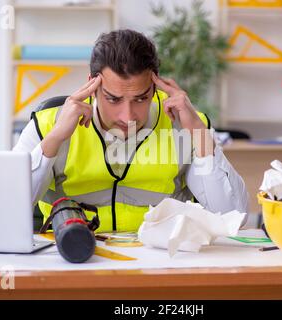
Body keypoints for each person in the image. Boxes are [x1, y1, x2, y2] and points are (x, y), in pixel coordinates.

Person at [13, 29, 248, 232]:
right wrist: (54, 139)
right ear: (91, 86)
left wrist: (198, 131)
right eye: (113, 99)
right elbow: (7, 210)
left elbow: (232, 217)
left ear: (156, 87)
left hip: (162, 263)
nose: (128, 116)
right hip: (72, 260)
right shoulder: (46, 126)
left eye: (140, 99)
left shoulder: (185, 127)